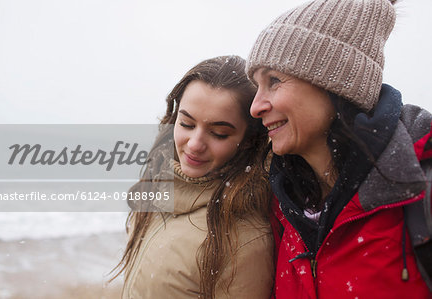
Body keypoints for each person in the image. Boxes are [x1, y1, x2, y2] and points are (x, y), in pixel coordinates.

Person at [246, 0, 432, 298]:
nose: (255, 107)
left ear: (336, 82)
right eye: (256, 86)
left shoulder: (420, 187)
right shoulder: (280, 206)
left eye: (274, 80)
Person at [112, 55, 274, 298]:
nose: (195, 144)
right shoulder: (156, 192)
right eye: (187, 124)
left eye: (219, 133)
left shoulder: (245, 241)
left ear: (249, 141)